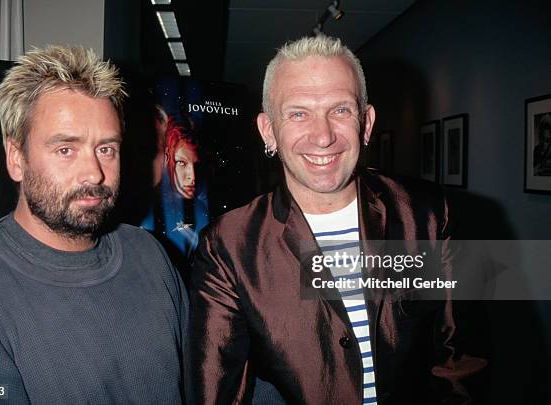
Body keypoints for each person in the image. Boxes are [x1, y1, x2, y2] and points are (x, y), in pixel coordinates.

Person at [187, 35, 485, 404]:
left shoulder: (426, 214)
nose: (323, 136)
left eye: (340, 110)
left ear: (367, 122)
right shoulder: (229, 246)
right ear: (268, 131)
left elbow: (459, 363)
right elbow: (217, 391)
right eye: (298, 113)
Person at [0, 46, 187, 404]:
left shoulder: (149, 254)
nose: (94, 173)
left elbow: (207, 379)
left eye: (106, 149)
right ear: (16, 158)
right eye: (65, 149)